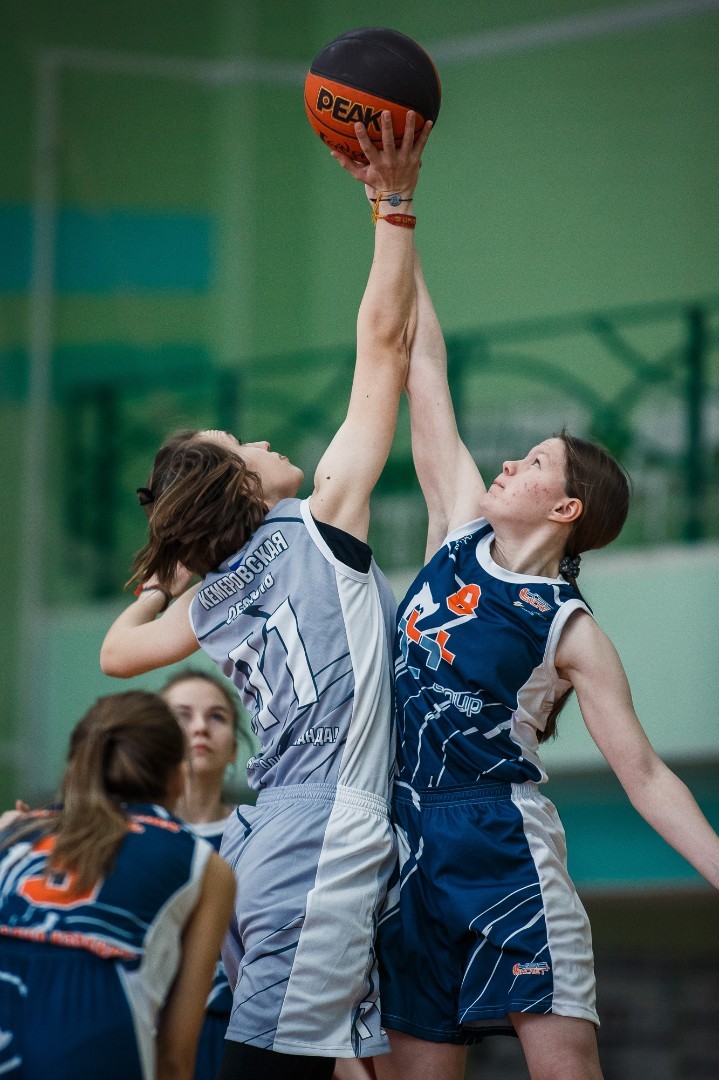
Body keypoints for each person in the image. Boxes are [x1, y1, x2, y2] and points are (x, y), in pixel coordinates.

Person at [100, 111, 432, 1080]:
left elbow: (117, 652)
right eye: (240, 443)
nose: (261, 441)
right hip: (324, 830)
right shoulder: (320, 523)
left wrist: (165, 571)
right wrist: (393, 206)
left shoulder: (205, 605)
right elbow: (382, 349)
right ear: (239, 485)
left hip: (277, 829)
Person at [354, 248, 719, 1079]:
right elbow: (424, 364)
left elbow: (644, 774)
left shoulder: (567, 626)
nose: (507, 463)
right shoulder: (455, 530)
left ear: (564, 506)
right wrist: (394, 213)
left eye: (531, 463)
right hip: (403, 837)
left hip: (500, 842)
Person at [0, 690, 235, 1080]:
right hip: (90, 1027)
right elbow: (174, 1059)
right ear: (179, 776)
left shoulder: (12, 830)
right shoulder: (205, 864)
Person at [160, 669, 243, 1080]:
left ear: (235, 751)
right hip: (149, 1027)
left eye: (216, 716)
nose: (199, 728)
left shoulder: (261, 834)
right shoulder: (131, 837)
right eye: (181, 716)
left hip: (236, 1034)